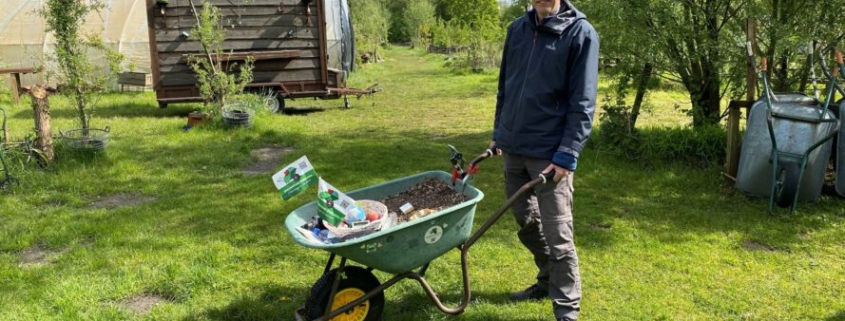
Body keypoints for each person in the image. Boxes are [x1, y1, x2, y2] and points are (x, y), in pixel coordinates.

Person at [491, 0, 598, 320]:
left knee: (558, 234)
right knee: (525, 222)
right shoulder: (517, 29)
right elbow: (505, 87)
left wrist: (568, 154)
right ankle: (547, 277)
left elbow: (583, 100)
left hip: (550, 154)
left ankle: (566, 309)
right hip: (514, 145)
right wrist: (499, 131)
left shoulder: (580, 33)